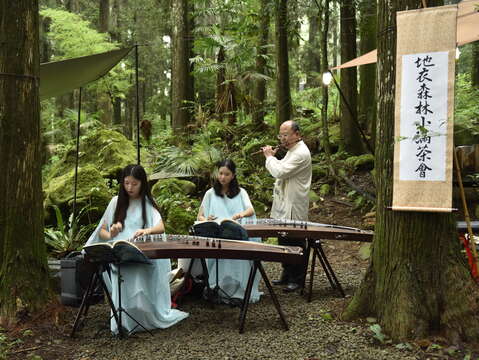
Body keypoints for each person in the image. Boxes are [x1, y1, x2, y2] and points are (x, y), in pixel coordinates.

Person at [85, 164, 188, 335]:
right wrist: (111, 232)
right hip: (119, 253)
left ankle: (144, 317)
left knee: (141, 275)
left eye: (134, 184)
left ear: (142, 184)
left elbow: (160, 226)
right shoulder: (115, 203)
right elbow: (102, 232)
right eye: (126, 183)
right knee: (123, 276)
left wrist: (146, 230)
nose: (130, 188)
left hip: (141, 252)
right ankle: (124, 320)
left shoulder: (147, 202)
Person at [187, 159, 262, 304]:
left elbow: (250, 209)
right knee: (219, 259)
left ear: (233, 175)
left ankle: (239, 291)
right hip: (218, 236)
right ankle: (219, 290)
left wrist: (240, 215)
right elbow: (200, 216)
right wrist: (206, 218)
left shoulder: (241, 192)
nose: (222, 177)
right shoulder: (210, 193)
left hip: (235, 235)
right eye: (220, 173)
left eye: (226, 174)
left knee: (237, 259)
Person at [262, 120, 312, 292]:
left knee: (296, 240)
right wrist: (274, 158)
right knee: (283, 238)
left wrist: (269, 157)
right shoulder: (292, 151)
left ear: (297, 134)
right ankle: (286, 274)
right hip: (284, 205)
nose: (282, 138)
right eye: (280, 135)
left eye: (286, 135)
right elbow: (282, 167)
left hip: (294, 205)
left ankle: (297, 279)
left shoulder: (301, 153)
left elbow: (280, 171)